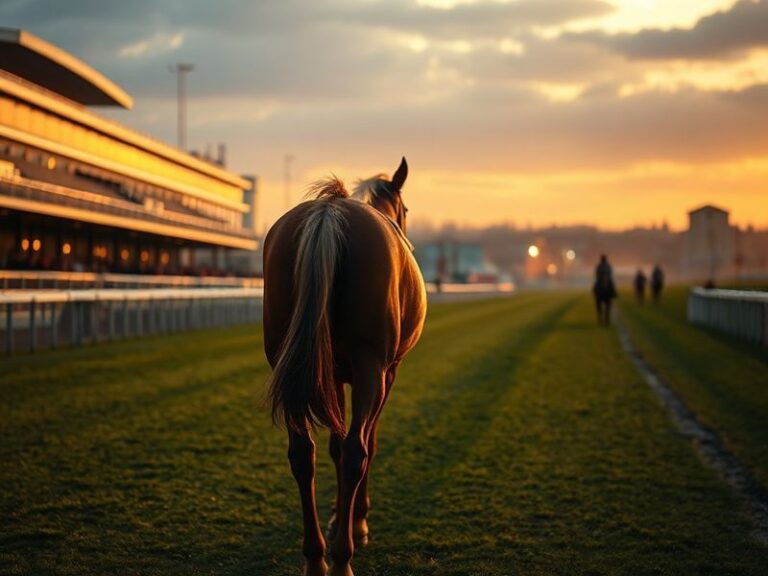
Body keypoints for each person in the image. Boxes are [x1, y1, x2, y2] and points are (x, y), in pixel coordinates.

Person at [593, 254, 617, 325]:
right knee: (596, 284)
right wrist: (600, 277)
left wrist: (607, 277)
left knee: (611, 284)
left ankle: (614, 293)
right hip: (600, 279)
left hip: (607, 279)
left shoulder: (608, 266)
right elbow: (596, 274)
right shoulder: (599, 266)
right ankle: (596, 293)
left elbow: (610, 274)